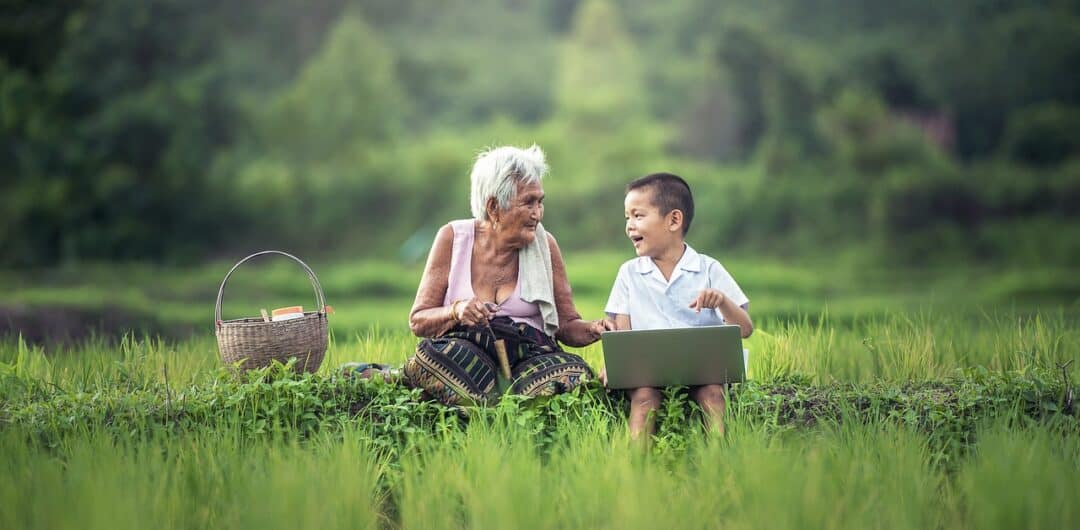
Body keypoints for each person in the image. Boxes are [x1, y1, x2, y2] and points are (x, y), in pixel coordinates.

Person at [403, 145, 612, 406]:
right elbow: (419, 321)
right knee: (434, 358)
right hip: (468, 354)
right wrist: (456, 311)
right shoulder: (453, 238)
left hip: (530, 355)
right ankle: (502, 404)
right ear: (493, 206)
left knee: (573, 374)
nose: (538, 213)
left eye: (540, 202)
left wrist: (593, 329)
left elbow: (566, 325)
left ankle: (491, 403)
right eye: (528, 202)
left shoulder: (545, 245)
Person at [603, 172, 753, 441]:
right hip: (648, 373)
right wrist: (614, 364)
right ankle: (634, 468)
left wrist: (722, 301)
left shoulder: (708, 269)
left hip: (704, 371)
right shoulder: (629, 273)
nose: (629, 226)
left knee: (713, 394)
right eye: (627, 217)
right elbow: (622, 333)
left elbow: (744, 328)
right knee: (644, 398)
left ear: (673, 220)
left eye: (638, 216)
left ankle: (718, 461)